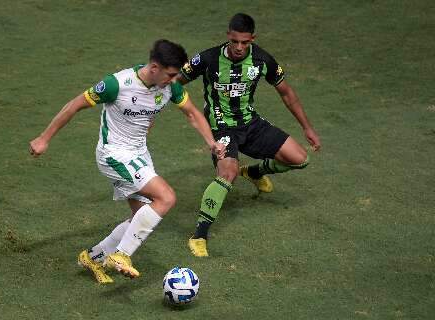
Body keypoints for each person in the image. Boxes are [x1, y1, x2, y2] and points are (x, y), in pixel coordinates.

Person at [29, 39, 226, 284]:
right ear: (154, 67)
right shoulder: (117, 84)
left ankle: (93, 257)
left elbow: (193, 113)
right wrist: (44, 138)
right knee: (166, 197)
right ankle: (121, 255)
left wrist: (211, 142)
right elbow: (74, 105)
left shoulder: (169, 87)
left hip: (139, 154)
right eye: (171, 74)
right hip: (114, 155)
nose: (174, 80)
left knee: (141, 216)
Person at [177, 13, 321, 257]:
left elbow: (287, 93)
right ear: (228, 37)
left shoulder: (262, 60)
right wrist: (191, 112)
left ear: (252, 39)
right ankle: (199, 235)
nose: (239, 47)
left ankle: (254, 172)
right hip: (220, 126)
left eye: (245, 42)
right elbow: (175, 82)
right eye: (235, 41)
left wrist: (307, 127)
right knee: (228, 172)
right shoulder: (208, 58)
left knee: (299, 158)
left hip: (250, 123)